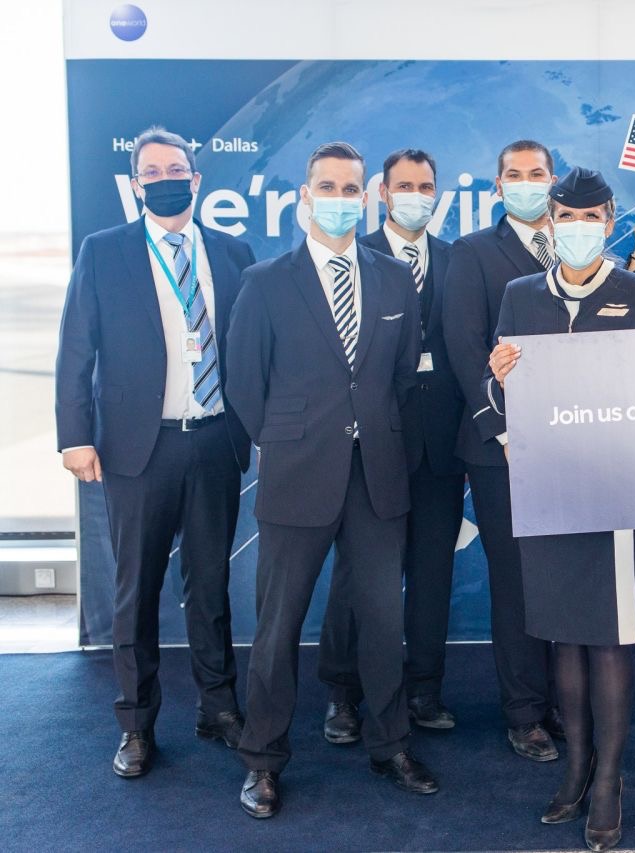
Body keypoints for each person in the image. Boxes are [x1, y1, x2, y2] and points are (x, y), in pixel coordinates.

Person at [226, 141, 433, 818]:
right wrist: (289, 439)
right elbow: (244, 384)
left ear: (366, 198)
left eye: (351, 189)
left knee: (382, 620)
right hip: (297, 474)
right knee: (277, 626)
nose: (340, 199)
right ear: (305, 197)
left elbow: (399, 375)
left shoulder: (394, 278)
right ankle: (263, 759)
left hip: (377, 474)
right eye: (328, 187)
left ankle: (391, 744)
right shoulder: (265, 282)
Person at [484, 167, 635, 853]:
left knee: (610, 639)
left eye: (590, 218)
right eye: (566, 217)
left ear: (610, 222)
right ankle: (574, 769)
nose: (576, 228)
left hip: (619, 495)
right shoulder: (520, 294)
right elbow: (498, 388)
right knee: (565, 636)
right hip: (550, 489)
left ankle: (608, 782)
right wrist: (499, 387)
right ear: (551, 221)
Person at [55, 126, 256, 778]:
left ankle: (218, 708)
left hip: (215, 439)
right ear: (136, 183)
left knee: (211, 586)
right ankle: (136, 724)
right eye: (152, 171)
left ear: (196, 180)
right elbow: (76, 349)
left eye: (176, 170)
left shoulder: (233, 252)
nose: (165, 179)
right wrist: (75, 435)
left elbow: (252, 348)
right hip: (139, 448)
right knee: (136, 592)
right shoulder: (104, 251)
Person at [316, 147, 465, 742]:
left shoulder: (457, 260)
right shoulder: (356, 256)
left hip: (441, 444)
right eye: (404, 185)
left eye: (425, 186)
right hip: (371, 443)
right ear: (380, 193)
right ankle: (343, 693)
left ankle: (423, 689)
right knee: (358, 575)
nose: (415, 195)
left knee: (432, 573)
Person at [442, 139, 563, 761]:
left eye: (536, 173)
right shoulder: (472, 253)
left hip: (569, 442)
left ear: (552, 179)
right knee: (515, 581)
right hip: (501, 449)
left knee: (564, 574)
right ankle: (525, 712)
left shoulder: (574, 245)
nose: (526, 182)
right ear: (497, 187)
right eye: (514, 175)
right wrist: (504, 430)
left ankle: (564, 698)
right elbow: (465, 350)